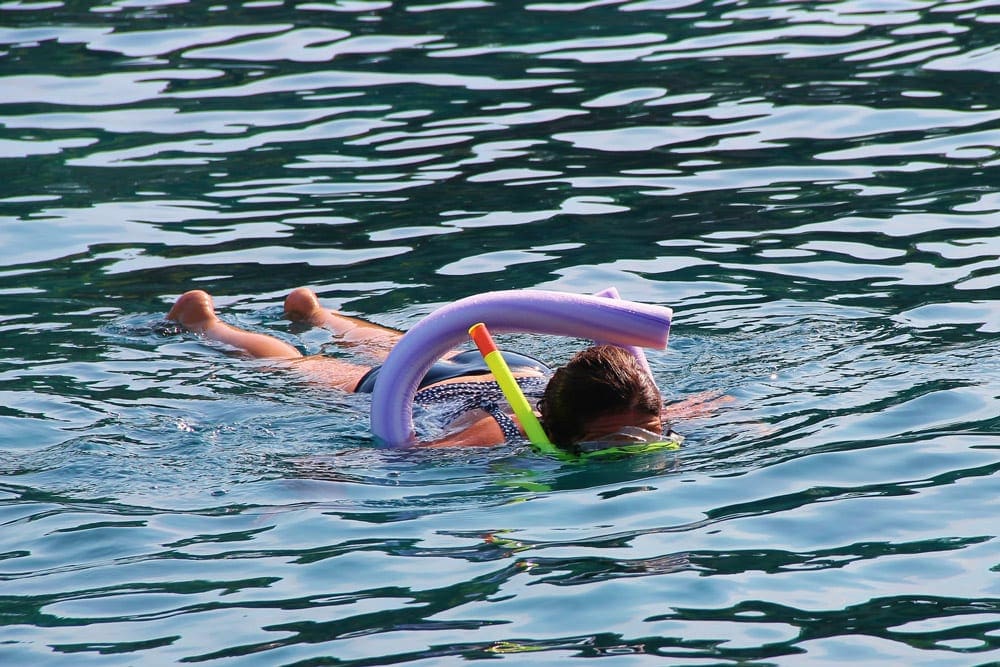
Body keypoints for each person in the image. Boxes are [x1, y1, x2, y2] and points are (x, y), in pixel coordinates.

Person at [167, 288, 702, 451]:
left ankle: (319, 313)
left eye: (646, 434)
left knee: (412, 343)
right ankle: (208, 325)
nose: (635, 445)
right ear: (561, 431)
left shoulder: (636, 410)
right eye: (610, 443)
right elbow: (416, 455)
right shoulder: (498, 431)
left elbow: (697, 412)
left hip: (516, 367)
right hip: (429, 389)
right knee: (294, 365)